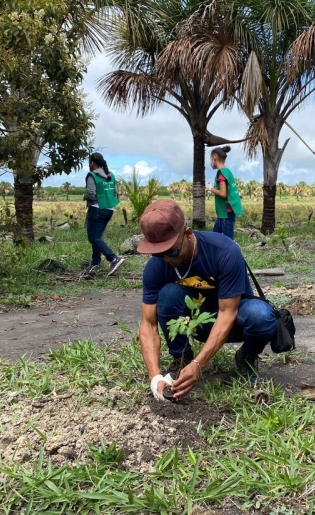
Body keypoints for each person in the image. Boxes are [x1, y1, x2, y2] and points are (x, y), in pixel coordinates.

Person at [136, 199, 277, 401]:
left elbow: (227, 313)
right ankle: (181, 358)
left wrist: (199, 365)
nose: (167, 259)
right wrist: (154, 375)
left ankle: (245, 357)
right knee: (167, 295)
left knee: (262, 316)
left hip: (235, 319)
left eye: (172, 251)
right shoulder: (156, 266)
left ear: (188, 233)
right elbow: (148, 324)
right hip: (197, 323)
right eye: (159, 253)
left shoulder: (224, 251)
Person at [81, 153, 125, 278]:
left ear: (92, 163)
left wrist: (84, 197)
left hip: (96, 209)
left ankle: (113, 259)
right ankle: (95, 263)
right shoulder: (110, 175)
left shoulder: (92, 175)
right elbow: (114, 192)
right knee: (97, 237)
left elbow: (90, 194)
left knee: (93, 237)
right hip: (109, 210)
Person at [208, 146, 243, 239]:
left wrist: (211, 188)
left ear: (215, 157)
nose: (211, 162)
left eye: (211, 158)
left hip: (226, 213)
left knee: (227, 241)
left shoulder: (222, 172)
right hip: (225, 212)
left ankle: (232, 253)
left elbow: (223, 194)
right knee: (215, 238)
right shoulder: (227, 171)